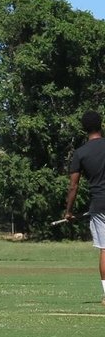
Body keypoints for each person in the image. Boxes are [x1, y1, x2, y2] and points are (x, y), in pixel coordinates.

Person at [65, 110, 105, 302]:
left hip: (99, 204)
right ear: (101, 124)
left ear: (84, 129)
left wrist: (69, 211)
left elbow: (73, 186)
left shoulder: (80, 153)